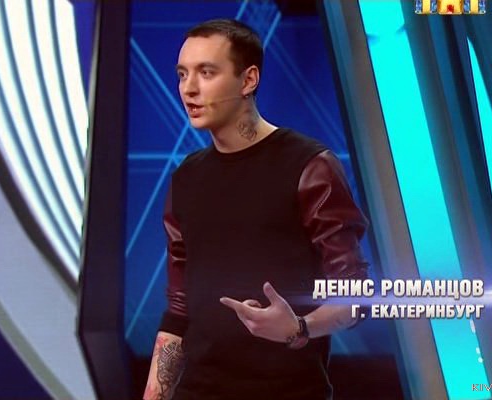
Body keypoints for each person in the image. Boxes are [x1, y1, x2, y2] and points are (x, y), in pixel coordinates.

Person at [142, 18, 370, 400]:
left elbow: (355, 294)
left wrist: (299, 327)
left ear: (248, 80)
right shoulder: (187, 177)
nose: (189, 88)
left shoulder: (309, 166)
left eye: (206, 72)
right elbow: (179, 312)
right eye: (182, 74)